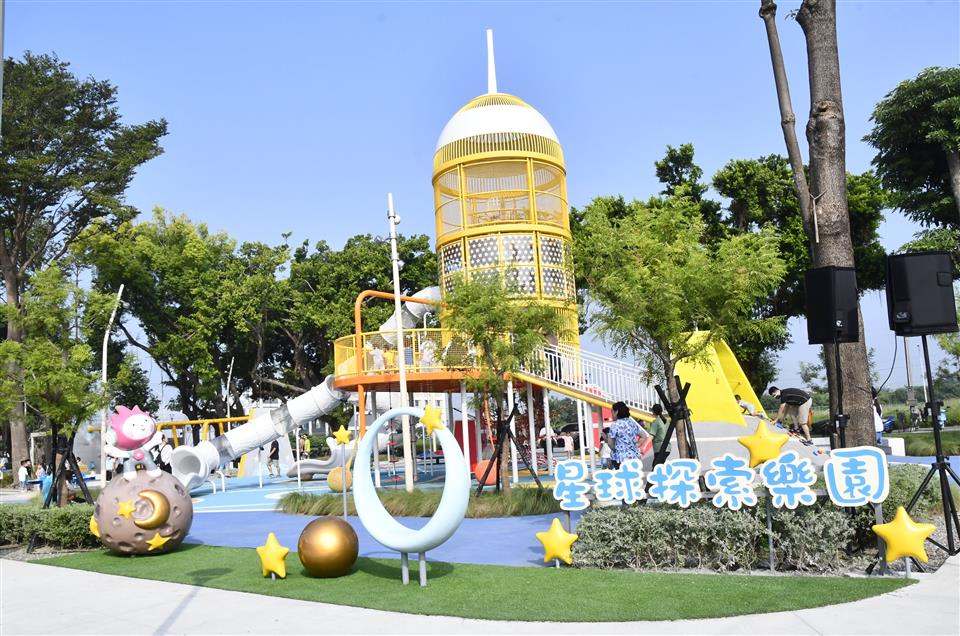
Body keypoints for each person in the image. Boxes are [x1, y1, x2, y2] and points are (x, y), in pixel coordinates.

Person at [607, 402, 649, 469]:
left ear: (616, 412)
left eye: (612, 412)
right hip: (634, 457)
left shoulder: (615, 425)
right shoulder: (631, 423)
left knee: (622, 475)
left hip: (621, 459)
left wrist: (616, 449)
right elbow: (643, 436)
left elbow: (610, 443)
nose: (611, 414)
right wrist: (636, 445)